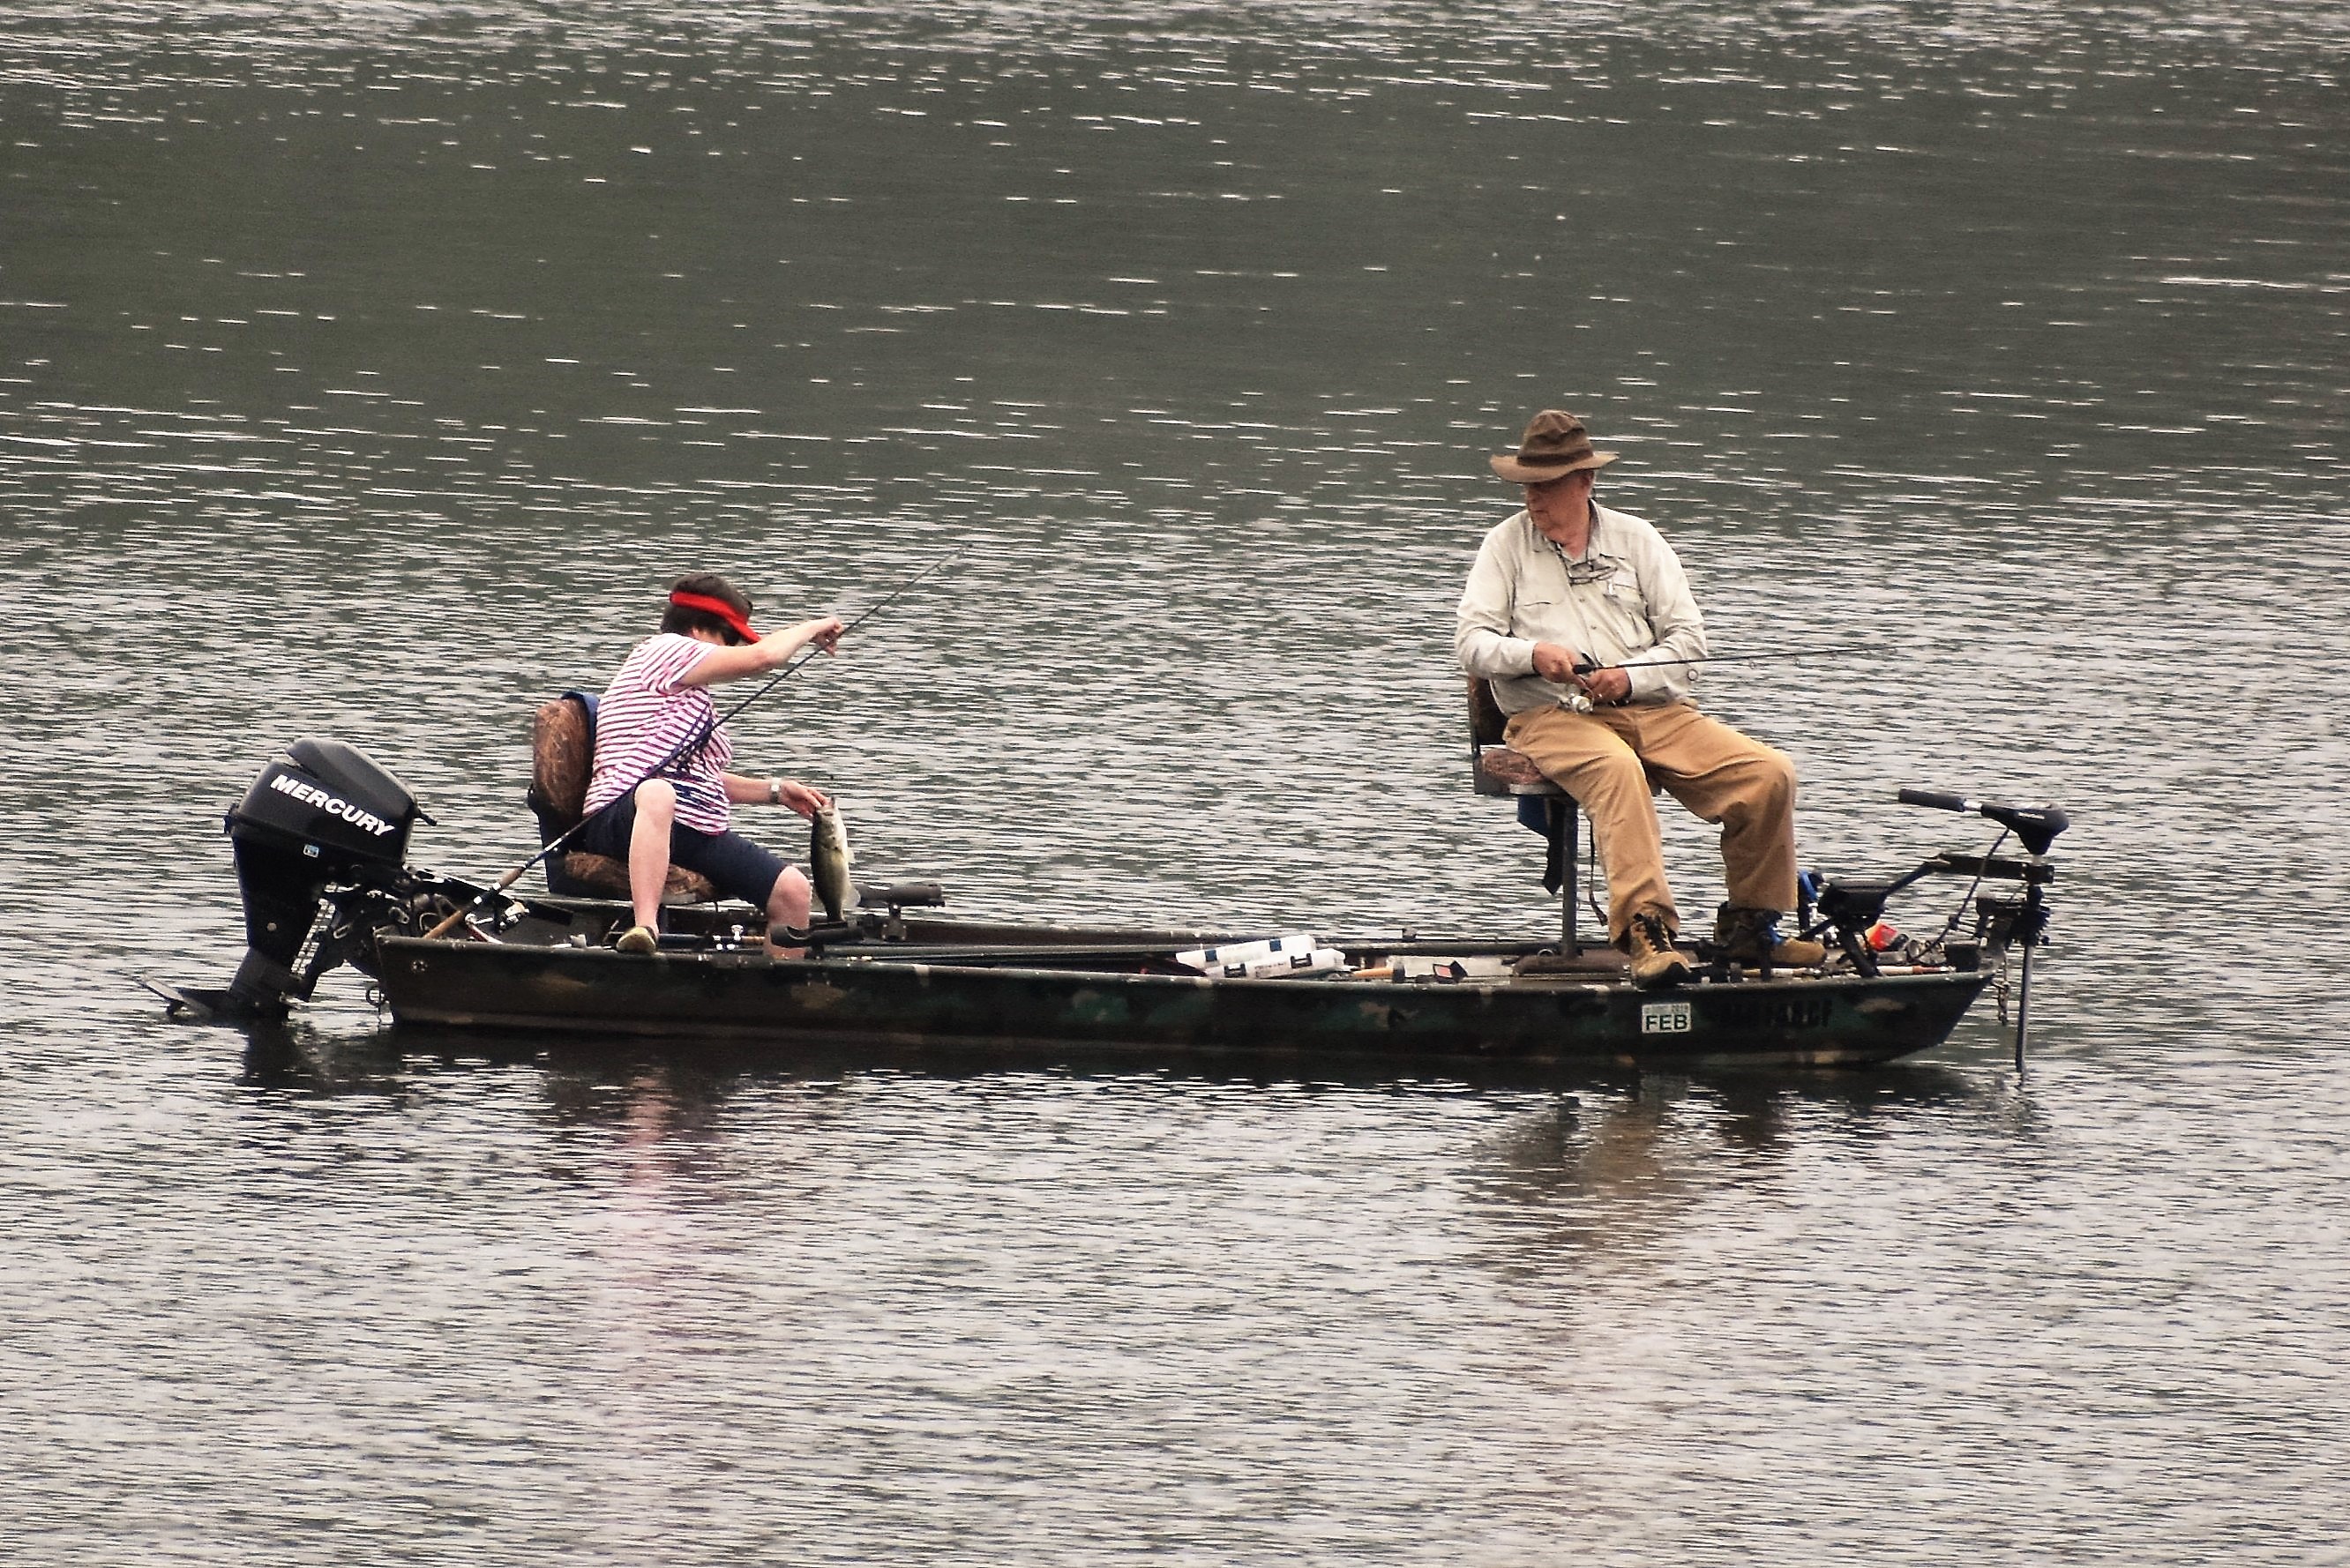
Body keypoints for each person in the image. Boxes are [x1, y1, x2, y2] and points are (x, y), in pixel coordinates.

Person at [1454, 410, 1826, 989]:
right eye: (1527, 484)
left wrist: (1629, 676)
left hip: (1654, 709)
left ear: (1585, 483)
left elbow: (1690, 645)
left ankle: (1751, 926)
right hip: (1548, 716)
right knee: (1617, 770)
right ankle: (1646, 932)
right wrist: (1534, 654)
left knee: (1768, 772)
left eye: (1546, 485)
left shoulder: (1639, 539)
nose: (1533, 497)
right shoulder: (1503, 546)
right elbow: (1472, 644)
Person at [573, 573, 846, 958]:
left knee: (793, 890)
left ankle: (778, 998)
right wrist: (814, 626)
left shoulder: (687, 696)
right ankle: (645, 927)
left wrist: (775, 791)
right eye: (729, 641)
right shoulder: (663, 650)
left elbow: (704, 779)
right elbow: (763, 658)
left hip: (690, 827)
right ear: (699, 632)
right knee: (657, 791)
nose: (732, 651)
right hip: (622, 818)